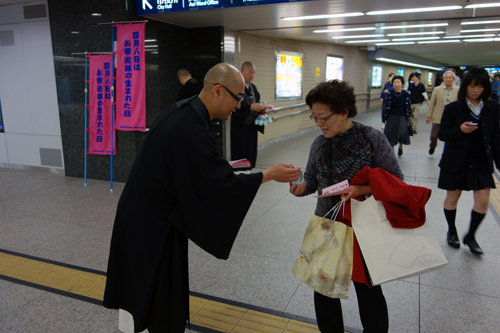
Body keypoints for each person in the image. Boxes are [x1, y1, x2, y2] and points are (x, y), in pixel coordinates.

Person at [103, 63, 301, 333]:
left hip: (144, 214)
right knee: (157, 293)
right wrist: (267, 175)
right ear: (218, 91)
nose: (239, 104)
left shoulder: (181, 111)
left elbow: (189, 170)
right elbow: (221, 186)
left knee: (146, 290)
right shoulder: (191, 128)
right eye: (238, 97)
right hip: (153, 227)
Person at [290, 80, 403, 333]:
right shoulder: (319, 144)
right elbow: (310, 181)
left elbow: (396, 180)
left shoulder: (372, 138)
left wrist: (362, 189)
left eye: (323, 116)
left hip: (363, 227)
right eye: (314, 116)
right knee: (324, 291)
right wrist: (298, 187)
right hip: (327, 226)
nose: (319, 123)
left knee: (369, 290)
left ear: (343, 112)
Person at [438, 67, 500, 255]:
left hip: (481, 161)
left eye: (480, 87)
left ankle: (471, 235)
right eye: (472, 86)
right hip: (456, 160)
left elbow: (496, 138)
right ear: (465, 86)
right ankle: (452, 231)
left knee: (482, 201)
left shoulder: (492, 108)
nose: (476, 90)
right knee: (452, 198)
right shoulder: (454, 109)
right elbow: (442, 134)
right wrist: (460, 130)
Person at [230, 61, 265, 170]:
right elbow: (234, 106)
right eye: (250, 72)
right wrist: (251, 107)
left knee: (250, 152)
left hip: (251, 126)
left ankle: (249, 170)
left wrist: (261, 107)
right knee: (241, 152)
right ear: (243, 71)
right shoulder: (236, 87)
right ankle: (240, 173)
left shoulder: (253, 87)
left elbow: (256, 102)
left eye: (254, 73)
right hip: (240, 127)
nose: (252, 76)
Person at [426, 71, 459, 155]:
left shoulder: (458, 89)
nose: (448, 79)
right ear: (443, 79)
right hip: (438, 116)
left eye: (450, 78)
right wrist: (429, 115)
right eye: (446, 78)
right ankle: (432, 146)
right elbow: (432, 103)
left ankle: (446, 152)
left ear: (453, 79)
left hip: (451, 118)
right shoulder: (437, 89)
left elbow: (460, 104)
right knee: (433, 136)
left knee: (448, 137)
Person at [383, 75, 412, 156]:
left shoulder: (406, 94)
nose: (396, 84)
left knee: (402, 132)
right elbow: (386, 106)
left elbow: (408, 105)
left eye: (398, 82)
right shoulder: (390, 94)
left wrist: (409, 115)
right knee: (391, 133)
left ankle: (400, 146)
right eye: (395, 82)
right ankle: (392, 149)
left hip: (402, 116)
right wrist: (385, 117)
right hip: (392, 116)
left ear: (401, 84)